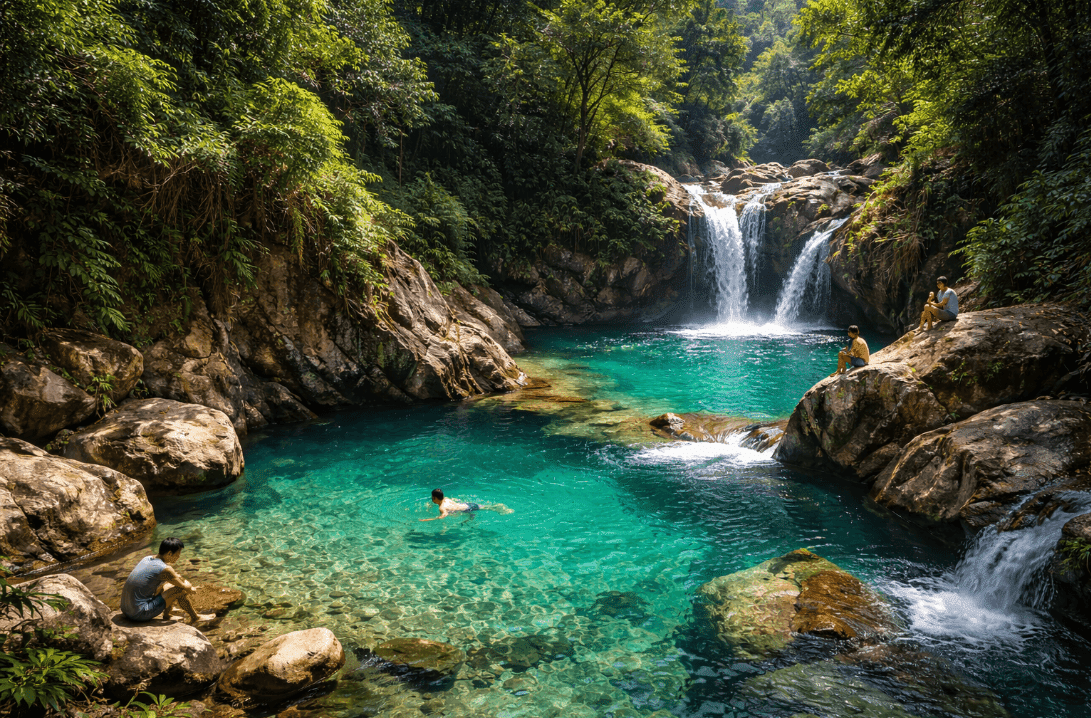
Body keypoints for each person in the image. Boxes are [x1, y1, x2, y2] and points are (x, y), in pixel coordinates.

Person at [120, 538, 210, 624]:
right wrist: (190, 587)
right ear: (170, 553)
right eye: (178, 555)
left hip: (126, 610)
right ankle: (195, 617)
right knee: (180, 590)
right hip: (139, 614)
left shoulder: (147, 559)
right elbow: (185, 586)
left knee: (167, 585)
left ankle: (167, 614)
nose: (178, 557)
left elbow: (171, 578)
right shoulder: (164, 569)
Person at [419, 489, 512, 521]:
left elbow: (443, 515)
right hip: (467, 504)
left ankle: (500, 509)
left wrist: (429, 519)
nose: (431, 499)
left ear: (435, 498)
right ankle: (498, 506)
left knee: (486, 509)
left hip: (466, 510)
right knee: (487, 507)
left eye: (432, 498)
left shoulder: (442, 507)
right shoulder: (446, 499)